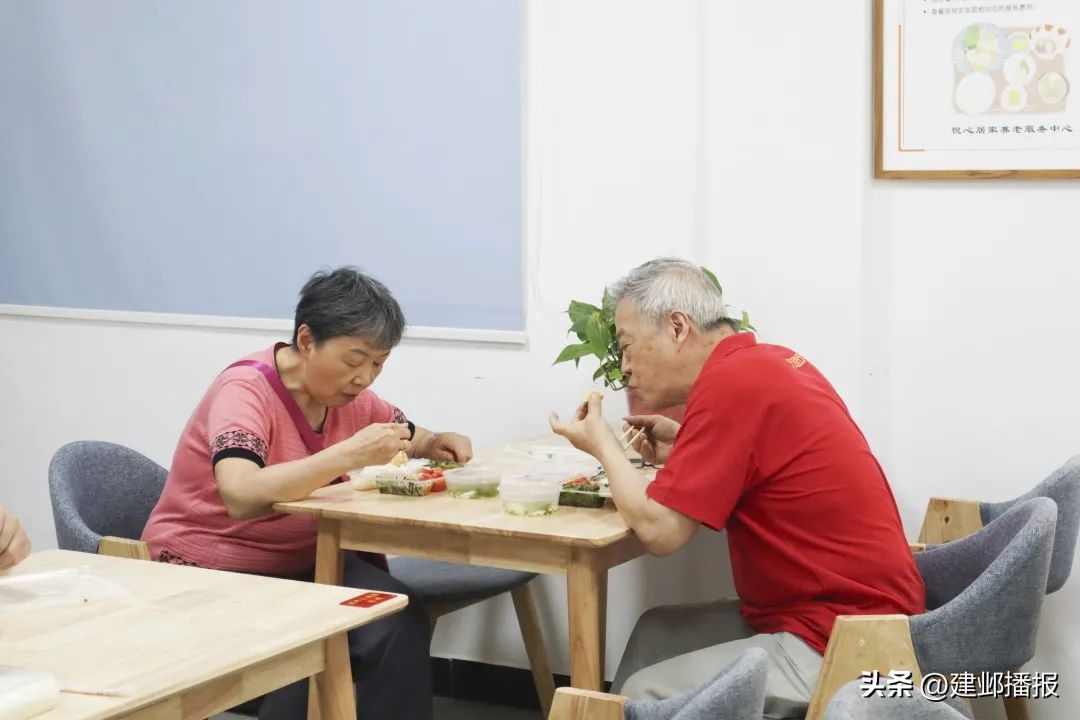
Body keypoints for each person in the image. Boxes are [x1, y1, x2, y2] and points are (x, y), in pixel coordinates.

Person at [550, 258, 925, 719]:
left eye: (627, 346)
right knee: (655, 634)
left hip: (849, 640)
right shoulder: (765, 363)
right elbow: (761, 464)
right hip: (846, 614)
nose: (625, 366)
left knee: (645, 691)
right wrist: (688, 444)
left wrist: (604, 446)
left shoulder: (732, 384)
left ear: (677, 327)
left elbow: (660, 531)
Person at [142, 267, 473, 720]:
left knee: (398, 617)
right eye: (354, 360)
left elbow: (409, 435)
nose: (365, 378)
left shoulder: (348, 399)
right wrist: (346, 455)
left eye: (378, 363)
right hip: (210, 569)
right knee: (308, 645)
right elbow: (240, 493)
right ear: (307, 340)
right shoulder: (246, 390)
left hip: (303, 565)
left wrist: (439, 441)